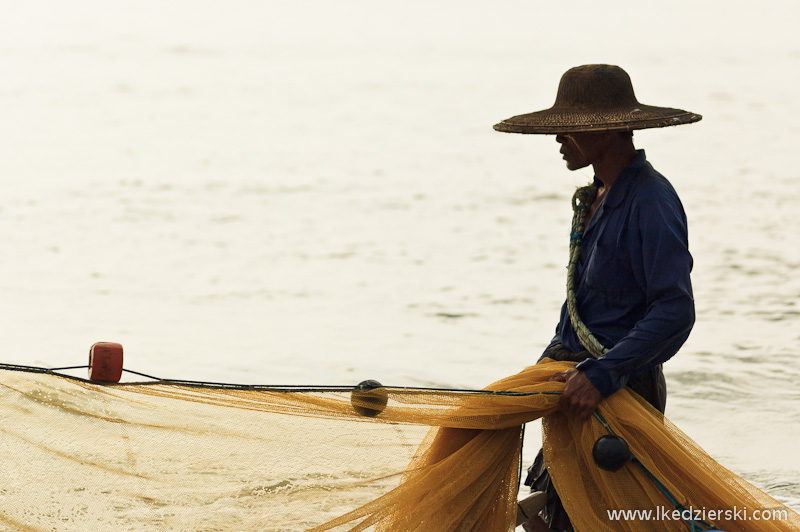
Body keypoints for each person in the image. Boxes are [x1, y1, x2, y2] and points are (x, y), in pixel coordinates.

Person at [493, 64, 701, 531]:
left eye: (570, 129)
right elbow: (582, 310)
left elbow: (675, 310)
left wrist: (605, 373)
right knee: (549, 515)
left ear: (607, 129)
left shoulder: (651, 199)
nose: (559, 139)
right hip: (577, 387)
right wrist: (545, 366)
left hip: (615, 395)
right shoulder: (597, 196)